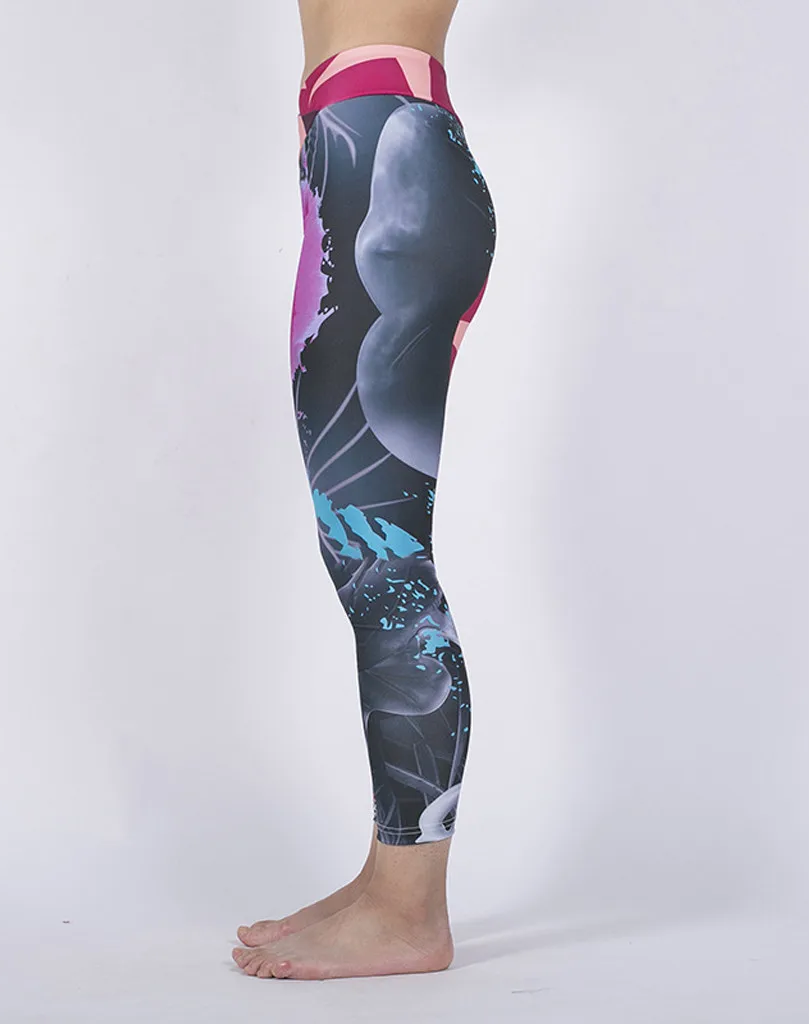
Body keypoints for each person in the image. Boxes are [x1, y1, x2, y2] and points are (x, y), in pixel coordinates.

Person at [232, 0, 495, 980]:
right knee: (370, 556)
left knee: (381, 561)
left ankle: (408, 912)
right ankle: (388, 876)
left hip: (377, 159)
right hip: (374, 151)